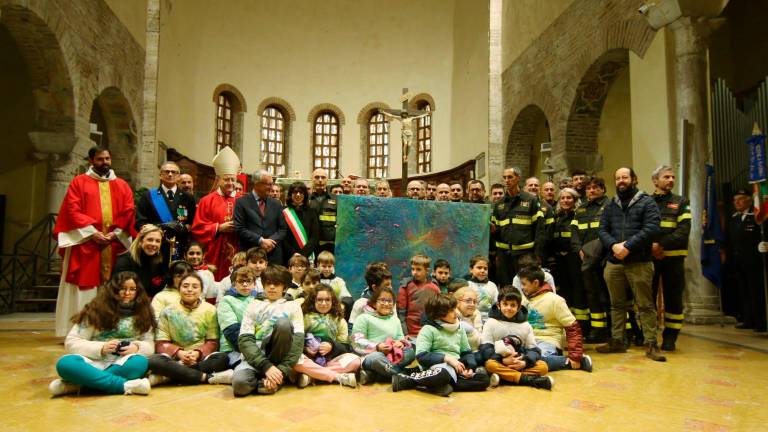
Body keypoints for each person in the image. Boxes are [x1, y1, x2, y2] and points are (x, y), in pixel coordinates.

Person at [53, 146, 135, 337]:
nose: (104, 163)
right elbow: (72, 210)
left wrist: (115, 233)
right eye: (100, 159)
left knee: (113, 286)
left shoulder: (122, 185)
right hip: (86, 243)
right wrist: (92, 232)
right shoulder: (79, 182)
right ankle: (79, 331)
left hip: (113, 244)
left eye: (107, 159)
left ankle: (108, 329)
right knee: (84, 289)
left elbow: (129, 210)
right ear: (91, 161)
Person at [597, 167, 665, 361]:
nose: (621, 181)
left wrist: (628, 246)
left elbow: (651, 228)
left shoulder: (647, 202)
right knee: (616, 304)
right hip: (614, 262)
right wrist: (613, 245)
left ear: (634, 179)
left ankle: (651, 344)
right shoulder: (611, 204)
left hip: (639, 262)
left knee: (645, 304)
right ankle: (617, 340)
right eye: (617, 178)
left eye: (624, 177)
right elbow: (602, 229)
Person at [49, 271, 154, 396]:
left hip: (122, 362)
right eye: (122, 289)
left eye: (132, 289)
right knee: (65, 364)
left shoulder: (144, 312)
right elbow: (72, 341)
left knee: (140, 363)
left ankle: (76, 385)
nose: (127, 293)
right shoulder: (95, 310)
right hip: (92, 362)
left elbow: (150, 344)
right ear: (113, 290)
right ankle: (124, 386)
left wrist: (137, 347)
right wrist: (101, 348)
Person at [393, 293, 490, 396]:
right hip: (436, 368)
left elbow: (467, 352)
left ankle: (438, 385)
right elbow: (421, 356)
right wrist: (446, 358)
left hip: (455, 368)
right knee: (443, 374)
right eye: (451, 311)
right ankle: (407, 380)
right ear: (439, 314)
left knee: (484, 379)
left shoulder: (459, 328)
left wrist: (470, 368)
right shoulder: (428, 329)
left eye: (454, 309)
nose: (456, 313)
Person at [232, 265, 304, 396]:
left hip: (280, 358)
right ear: (263, 284)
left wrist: (281, 370)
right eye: (268, 283)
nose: (271, 287)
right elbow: (245, 340)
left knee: (283, 324)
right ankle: (270, 379)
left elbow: (298, 342)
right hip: (256, 358)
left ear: (285, 287)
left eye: (276, 284)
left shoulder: (293, 306)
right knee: (240, 386)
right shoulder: (253, 305)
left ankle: (276, 377)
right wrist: (266, 367)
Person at [147, 273, 230, 385]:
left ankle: (173, 375)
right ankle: (205, 377)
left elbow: (213, 342)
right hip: (176, 358)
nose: (189, 290)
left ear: (201, 290)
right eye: (185, 286)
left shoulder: (210, 310)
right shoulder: (168, 311)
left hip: (200, 359)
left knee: (223, 358)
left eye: (195, 287)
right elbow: (161, 343)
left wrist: (197, 353)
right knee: (153, 361)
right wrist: (180, 353)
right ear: (179, 289)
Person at [517, 267, 592, 372]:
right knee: (514, 359)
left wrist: (575, 357)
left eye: (524, 284)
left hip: (548, 341)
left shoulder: (555, 300)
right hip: (528, 342)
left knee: (534, 361)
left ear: (535, 283)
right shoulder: (523, 300)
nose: (521, 287)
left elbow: (573, 329)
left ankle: (575, 362)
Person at [650, 166, 692, 349]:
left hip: (673, 258)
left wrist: (661, 245)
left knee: (674, 298)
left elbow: (683, 231)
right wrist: (650, 246)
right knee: (647, 298)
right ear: (655, 181)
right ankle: (648, 336)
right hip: (649, 257)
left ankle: (670, 337)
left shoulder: (681, 202)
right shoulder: (647, 202)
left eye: (673, 177)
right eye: (666, 176)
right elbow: (641, 228)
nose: (671, 180)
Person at [480, 286, 553, 390]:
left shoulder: (526, 325)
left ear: (519, 307)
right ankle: (529, 380)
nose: (509, 308)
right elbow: (485, 348)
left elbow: (534, 350)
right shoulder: (490, 322)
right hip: (500, 362)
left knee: (543, 366)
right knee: (490, 365)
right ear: (498, 305)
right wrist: (502, 360)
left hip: (519, 361)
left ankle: (505, 378)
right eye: (505, 304)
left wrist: (525, 362)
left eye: (513, 305)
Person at [293, 284, 360, 388]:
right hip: (309, 359)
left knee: (355, 360)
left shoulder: (339, 320)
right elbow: (296, 341)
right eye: (319, 300)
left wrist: (332, 346)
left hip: (330, 360)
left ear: (332, 301)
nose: (323, 303)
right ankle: (337, 377)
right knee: (295, 359)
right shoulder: (304, 317)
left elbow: (345, 347)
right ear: (313, 301)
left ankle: (312, 376)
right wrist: (305, 349)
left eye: (327, 300)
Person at [191, 146, 242, 281]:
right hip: (214, 251)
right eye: (226, 179)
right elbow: (197, 228)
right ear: (218, 179)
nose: (230, 183)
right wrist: (218, 228)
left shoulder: (243, 200)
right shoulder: (207, 201)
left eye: (233, 179)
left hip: (238, 249)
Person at [570, 176, 611, 342]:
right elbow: (574, 233)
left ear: (603, 189)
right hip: (586, 259)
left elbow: (611, 231)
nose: (592, 191)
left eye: (595, 187)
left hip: (605, 257)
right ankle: (597, 330)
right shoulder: (580, 210)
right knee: (592, 294)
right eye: (589, 188)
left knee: (606, 294)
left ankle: (611, 330)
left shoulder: (610, 206)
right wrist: (579, 249)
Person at [492, 167, 546, 286]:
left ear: (518, 178)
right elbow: (496, 232)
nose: (506, 180)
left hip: (525, 254)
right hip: (504, 254)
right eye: (504, 177)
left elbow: (540, 230)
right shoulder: (499, 204)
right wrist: (493, 231)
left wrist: (537, 254)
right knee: (506, 286)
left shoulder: (530, 200)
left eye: (510, 177)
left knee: (525, 286)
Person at [352, 286, 415, 385]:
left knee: (410, 352)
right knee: (377, 359)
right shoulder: (364, 318)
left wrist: (401, 343)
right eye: (382, 300)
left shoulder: (395, 320)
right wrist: (377, 346)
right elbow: (356, 341)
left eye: (389, 301)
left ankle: (374, 376)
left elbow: (401, 339)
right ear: (374, 303)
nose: (386, 304)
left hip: (393, 355)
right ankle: (409, 374)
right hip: (371, 356)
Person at [724, 189, 767, 332]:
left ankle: (761, 321)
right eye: (735, 200)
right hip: (738, 261)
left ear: (749, 200)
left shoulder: (757, 216)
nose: (737, 202)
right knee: (743, 291)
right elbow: (731, 241)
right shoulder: (734, 218)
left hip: (754, 261)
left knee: (757, 291)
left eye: (741, 199)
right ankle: (748, 319)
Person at [135, 161, 196, 260]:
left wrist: (185, 228)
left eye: (174, 172)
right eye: (167, 172)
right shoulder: (148, 196)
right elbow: (140, 222)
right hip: (155, 246)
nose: (170, 174)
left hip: (179, 247)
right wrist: (156, 229)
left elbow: (193, 222)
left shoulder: (187, 197)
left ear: (178, 176)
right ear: (160, 175)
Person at [212, 266, 262, 385]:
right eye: (241, 281)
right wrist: (252, 351)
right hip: (233, 348)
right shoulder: (226, 301)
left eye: (248, 281)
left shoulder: (259, 300)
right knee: (251, 368)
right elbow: (232, 332)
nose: (245, 284)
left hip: (255, 346)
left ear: (254, 284)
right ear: (234, 284)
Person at [234, 169, 288, 264]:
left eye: (272, 184)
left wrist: (270, 242)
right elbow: (239, 228)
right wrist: (260, 241)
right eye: (269, 184)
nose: (271, 188)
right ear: (257, 184)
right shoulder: (241, 202)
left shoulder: (276, 204)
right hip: (250, 255)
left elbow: (282, 229)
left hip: (273, 254)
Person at [547, 188, 585, 314]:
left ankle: (581, 319)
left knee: (578, 287)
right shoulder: (557, 217)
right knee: (564, 287)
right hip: (559, 259)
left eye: (569, 198)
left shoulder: (579, 215)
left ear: (575, 200)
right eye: (562, 198)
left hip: (574, 257)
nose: (565, 200)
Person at [112, 224, 168, 297]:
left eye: (158, 241)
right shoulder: (124, 261)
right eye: (150, 239)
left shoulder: (160, 262)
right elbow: (118, 292)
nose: (154, 244)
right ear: (140, 241)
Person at [397, 254, 441, 338]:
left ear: (427, 271)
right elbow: (401, 314)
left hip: (430, 332)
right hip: (410, 334)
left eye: (418, 269)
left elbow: (439, 311)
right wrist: (405, 333)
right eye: (413, 269)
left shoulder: (435, 288)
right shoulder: (405, 287)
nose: (414, 272)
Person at [282, 181, 320, 260]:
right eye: (295, 192)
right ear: (290, 194)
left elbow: (314, 237)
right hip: (289, 256)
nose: (298, 195)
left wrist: (303, 254)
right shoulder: (284, 212)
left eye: (301, 192)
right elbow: (282, 236)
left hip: (307, 256)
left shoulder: (312, 212)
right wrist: (292, 253)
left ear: (305, 195)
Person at [349, 264, 392, 328]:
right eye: (387, 285)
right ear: (374, 287)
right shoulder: (360, 303)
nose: (390, 288)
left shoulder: (391, 302)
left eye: (390, 284)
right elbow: (351, 327)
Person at [316, 250, 353, 318]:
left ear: (333, 266)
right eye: (324, 266)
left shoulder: (339, 281)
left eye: (329, 266)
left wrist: (342, 305)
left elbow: (347, 298)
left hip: (334, 312)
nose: (327, 269)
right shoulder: (315, 280)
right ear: (318, 265)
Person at [466, 255, 498, 320]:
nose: (483, 270)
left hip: (489, 318)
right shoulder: (467, 285)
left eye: (485, 268)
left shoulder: (492, 285)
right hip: (472, 318)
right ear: (471, 270)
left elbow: (496, 303)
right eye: (479, 268)